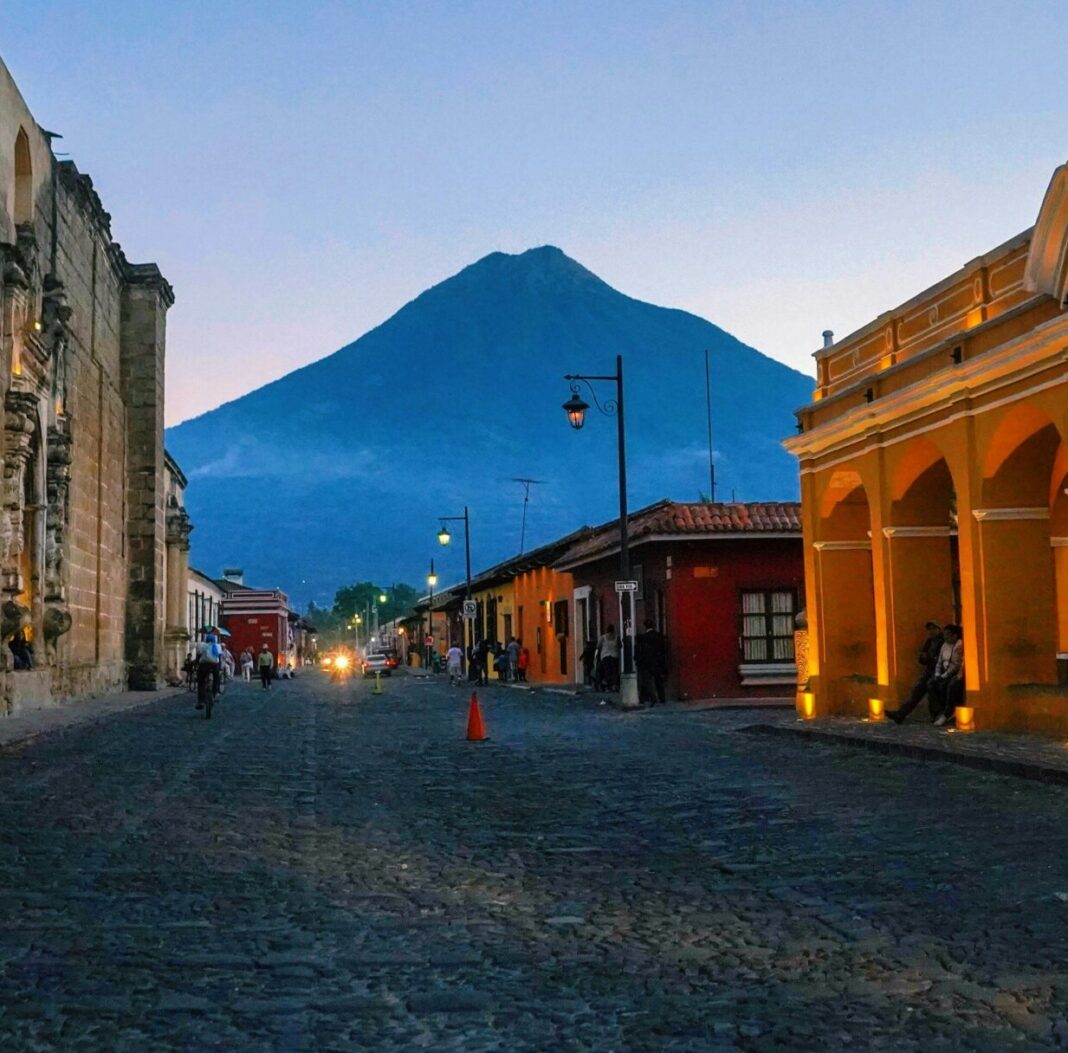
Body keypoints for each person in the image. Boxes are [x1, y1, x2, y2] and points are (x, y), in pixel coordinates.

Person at [886, 622, 943, 725]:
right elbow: (922, 658)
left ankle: (936, 716)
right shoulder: (929, 641)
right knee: (917, 690)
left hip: (940, 672)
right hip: (929, 671)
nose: (931, 631)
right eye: (929, 629)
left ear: (939, 629)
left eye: (933, 629)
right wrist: (925, 658)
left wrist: (929, 658)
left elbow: (941, 659)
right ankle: (901, 714)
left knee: (931, 688)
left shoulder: (943, 642)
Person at [928, 624, 964, 726]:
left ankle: (947, 713)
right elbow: (939, 661)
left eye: (948, 635)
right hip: (944, 672)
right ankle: (937, 712)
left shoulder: (959, 645)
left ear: (955, 636)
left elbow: (956, 665)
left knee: (950, 685)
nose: (945, 637)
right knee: (931, 683)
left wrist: (944, 676)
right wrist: (937, 673)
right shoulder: (944, 645)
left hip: (955, 673)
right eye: (944, 635)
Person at [634, 619, 668, 706]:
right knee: (658, 681)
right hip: (658, 661)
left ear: (645, 626)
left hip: (647, 662)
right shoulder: (659, 636)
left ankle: (649, 698)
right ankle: (662, 698)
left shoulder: (644, 637)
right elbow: (663, 649)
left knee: (647, 681)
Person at [195, 632, 221, 709]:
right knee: (216, 679)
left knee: (201, 682)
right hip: (214, 665)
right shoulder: (217, 646)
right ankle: (214, 693)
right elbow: (219, 657)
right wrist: (219, 668)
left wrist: (196, 664)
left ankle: (201, 700)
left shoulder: (203, 645)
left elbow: (198, 655)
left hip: (204, 665)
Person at [596, 625, 620, 692]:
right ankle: (615, 685)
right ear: (613, 630)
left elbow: (598, 646)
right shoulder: (616, 637)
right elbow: (620, 645)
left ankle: (608, 686)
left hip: (605, 656)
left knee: (607, 672)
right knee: (615, 671)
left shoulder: (603, 638)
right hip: (614, 656)